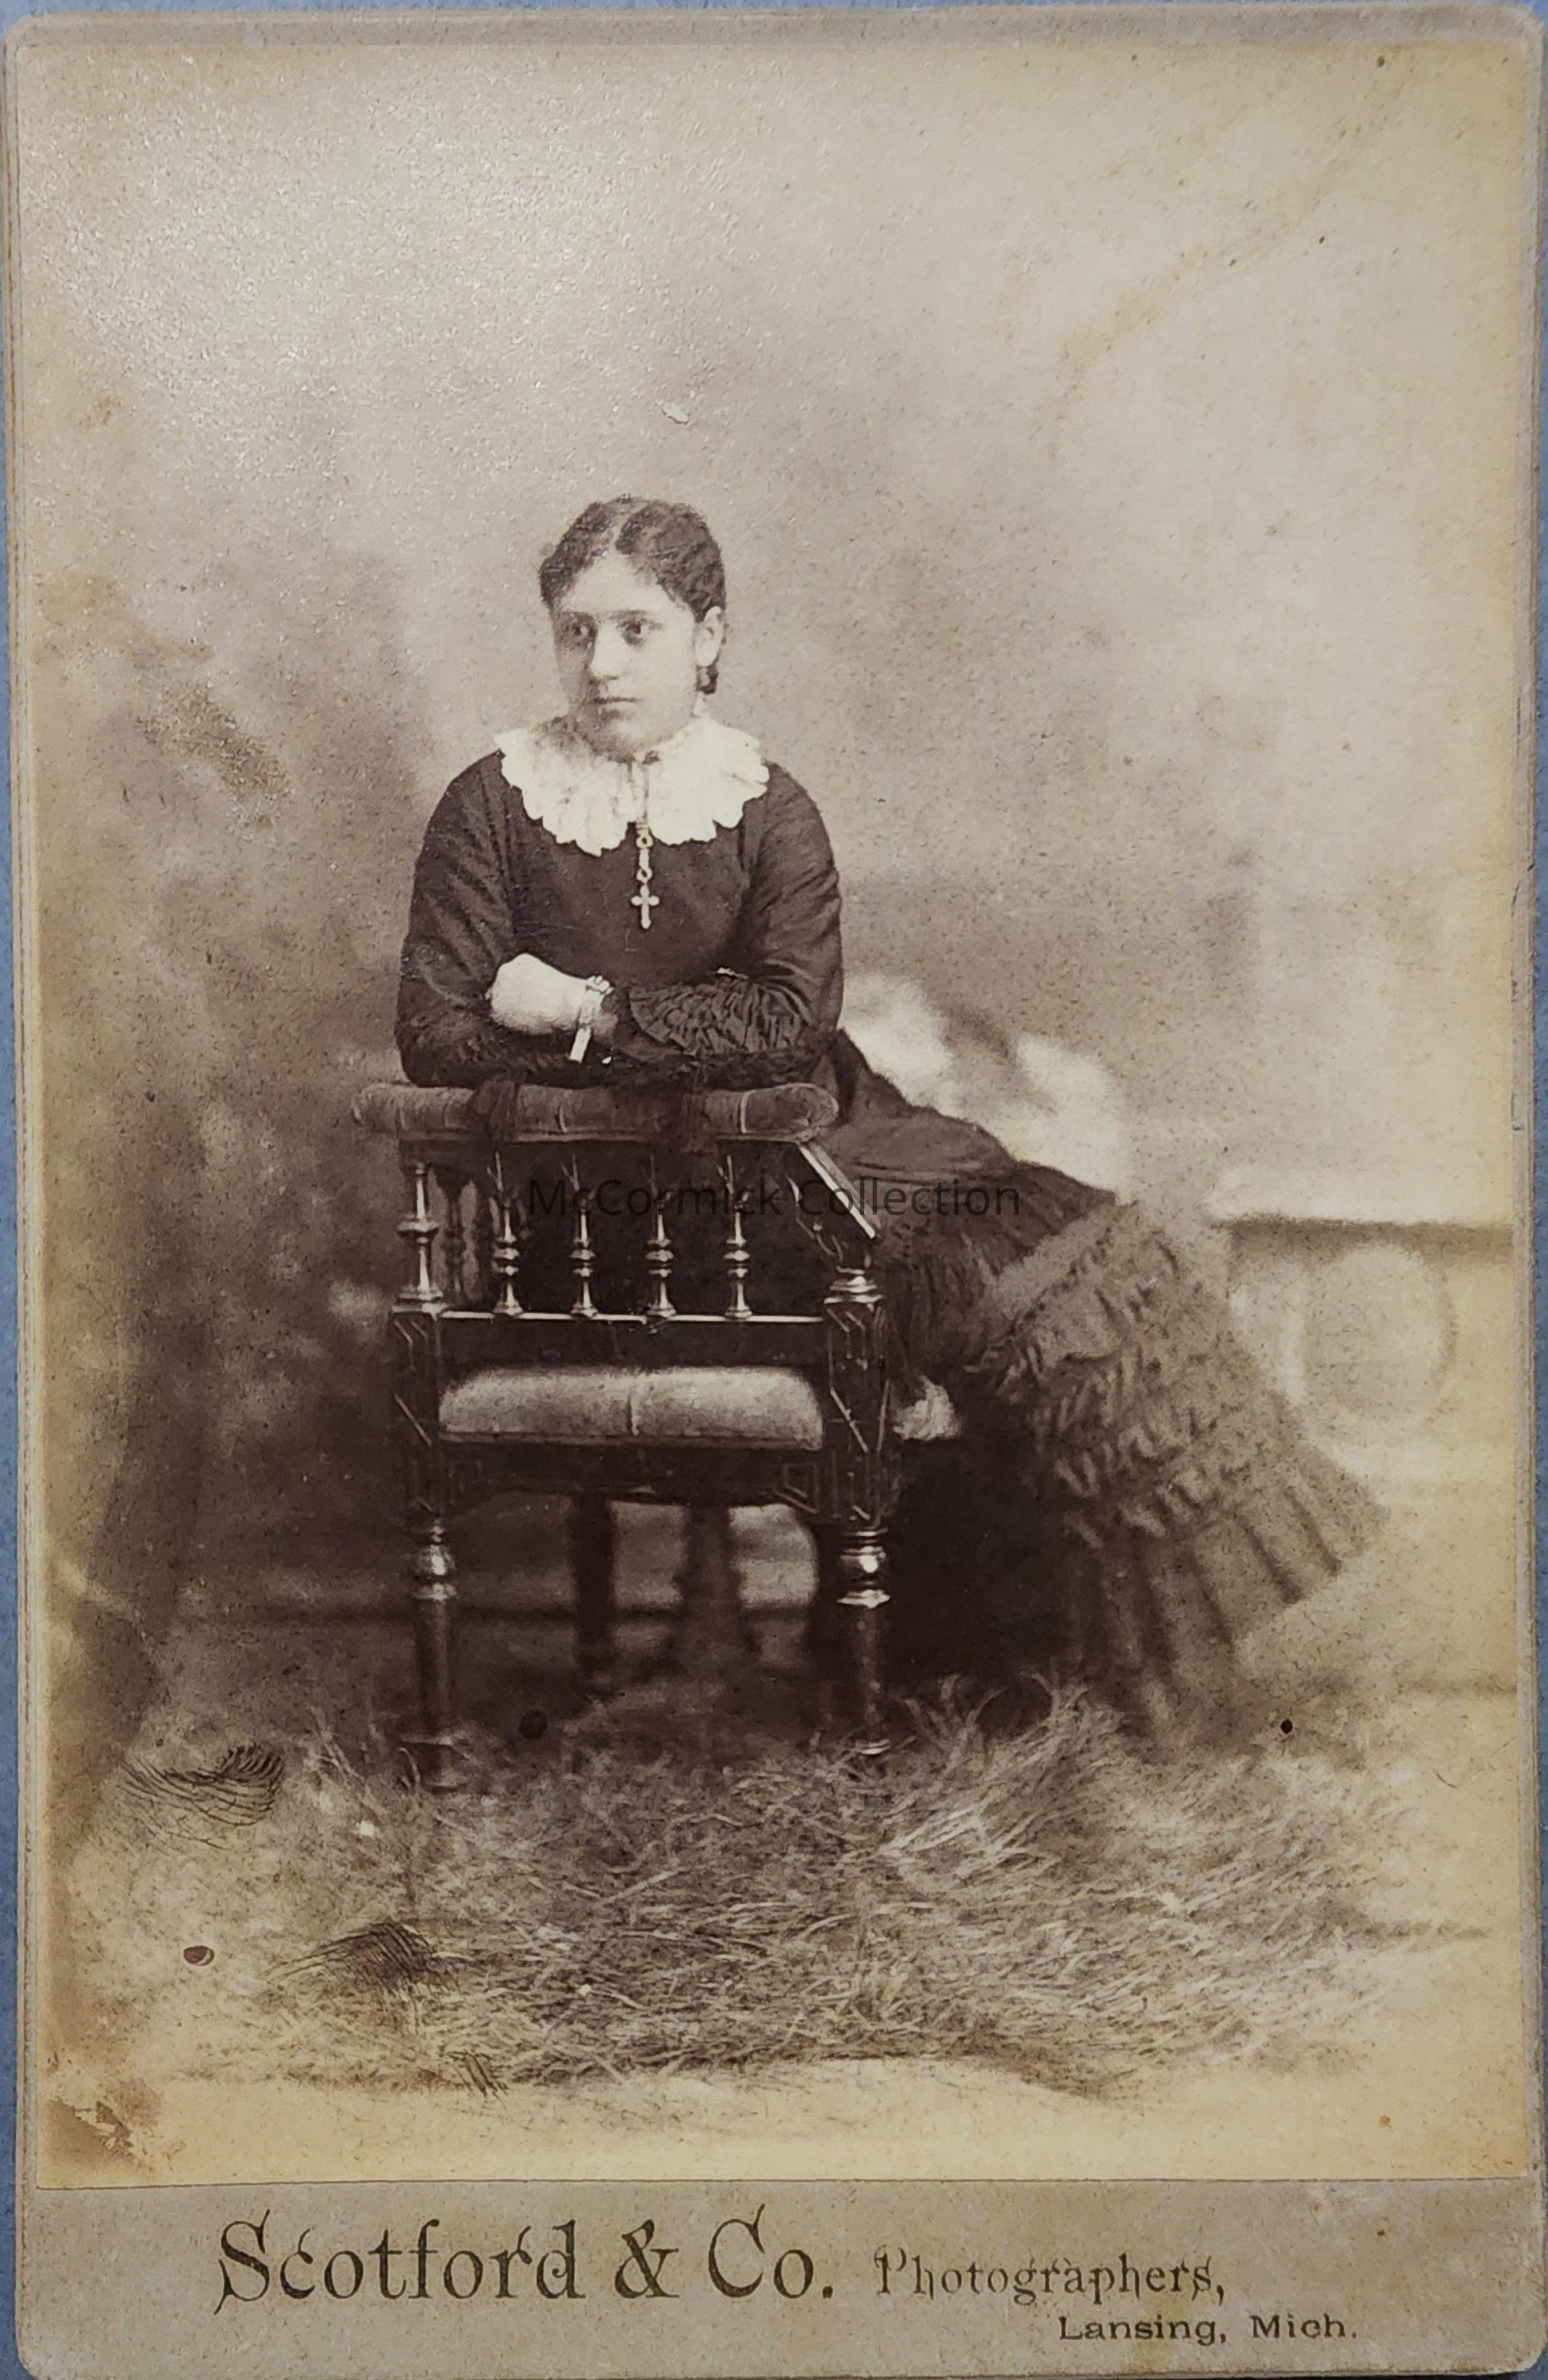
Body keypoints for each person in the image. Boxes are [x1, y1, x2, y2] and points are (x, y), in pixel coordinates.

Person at [396, 496, 1379, 1740]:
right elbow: (436, 1034)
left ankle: (1026, 1679)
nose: (602, 665)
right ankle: (1030, 1683)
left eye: (637, 630)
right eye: (576, 632)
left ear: (708, 638)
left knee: (1082, 1261)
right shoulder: (492, 805)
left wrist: (585, 1013)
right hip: (613, 1220)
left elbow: (788, 1020)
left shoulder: (766, 805)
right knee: (988, 1293)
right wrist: (658, 1070)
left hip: (824, 1142)